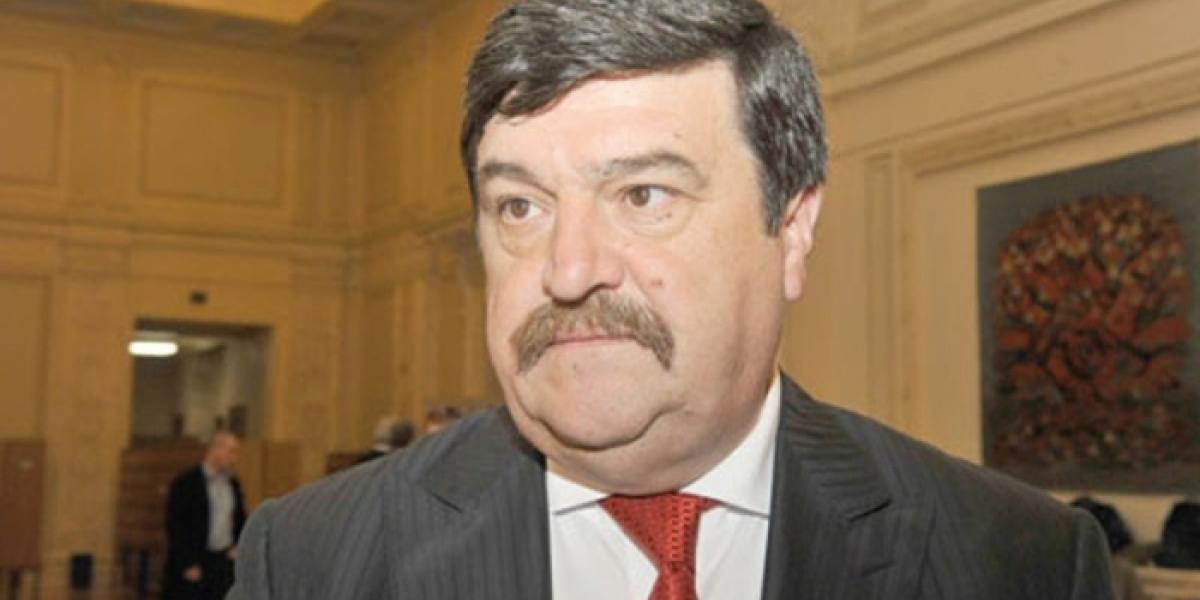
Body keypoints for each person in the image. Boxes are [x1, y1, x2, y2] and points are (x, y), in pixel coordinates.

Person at [228, 1, 1115, 598]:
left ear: (792, 230)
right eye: (521, 206)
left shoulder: (1018, 561)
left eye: (643, 195)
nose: (568, 271)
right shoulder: (312, 561)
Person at [163, 430, 246, 600]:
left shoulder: (233, 484)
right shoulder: (187, 482)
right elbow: (175, 525)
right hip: (194, 561)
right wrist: (187, 563)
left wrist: (238, 545)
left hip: (221, 561)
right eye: (231, 451)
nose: (235, 458)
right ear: (215, 449)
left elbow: (239, 517)